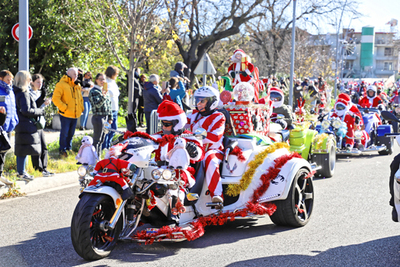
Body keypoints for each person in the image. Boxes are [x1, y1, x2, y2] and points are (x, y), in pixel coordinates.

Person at [151, 100, 203, 216]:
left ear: (177, 123)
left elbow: (199, 155)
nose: (163, 127)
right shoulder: (159, 135)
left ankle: (175, 212)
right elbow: (146, 141)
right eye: (162, 124)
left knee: (174, 180)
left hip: (181, 172)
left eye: (167, 124)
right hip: (158, 171)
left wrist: (193, 150)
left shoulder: (189, 137)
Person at [188, 86, 225, 204]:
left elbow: (215, 137)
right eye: (197, 100)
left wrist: (195, 135)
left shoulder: (219, 116)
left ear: (212, 102)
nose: (198, 103)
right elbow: (180, 128)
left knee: (210, 158)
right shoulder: (192, 115)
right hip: (192, 148)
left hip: (214, 150)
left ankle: (217, 196)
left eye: (202, 101)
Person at [14, 71, 44, 180]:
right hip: (26, 124)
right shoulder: (23, 93)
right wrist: (39, 111)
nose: (30, 82)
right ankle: (21, 172)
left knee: (22, 149)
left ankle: (21, 172)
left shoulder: (15, 92)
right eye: (29, 79)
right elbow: (27, 110)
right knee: (24, 150)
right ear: (24, 80)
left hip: (20, 124)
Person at [52, 67, 84, 157]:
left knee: (71, 133)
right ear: (68, 74)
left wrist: (81, 108)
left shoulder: (77, 85)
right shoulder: (61, 84)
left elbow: (80, 99)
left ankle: (69, 149)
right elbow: (55, 99)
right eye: (74, 74)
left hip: (75, 114)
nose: (76, 76)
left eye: (77, 75)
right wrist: (64, 108)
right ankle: (62, 150)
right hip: (65, 114)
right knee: (65, 133)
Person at [30, 74, 54, 176]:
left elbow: (40, 108)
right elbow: (34, 107)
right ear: (32, 82)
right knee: (36, 147)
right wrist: (42, 102)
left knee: (44, 146)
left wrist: (45, 103)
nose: (40, 84)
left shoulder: (39, 92)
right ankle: (38, 168)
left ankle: (44, 168)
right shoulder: (29, 93)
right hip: (33, 123)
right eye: (37, 82)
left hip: (40, 122)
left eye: (41, 82)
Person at [0, 70, 18, 186]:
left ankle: (0, 174)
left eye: (11, 80)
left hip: (9, 125)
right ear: (1, 79)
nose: (10, 82)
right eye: (7, 80)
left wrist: (15, 119)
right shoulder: (1, 91)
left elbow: (13, 107)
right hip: (1, 125)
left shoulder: (10, 91)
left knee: (4, 152)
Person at [88, 73, 112, 157]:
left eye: (104, 79)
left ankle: (98, 158)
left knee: (102, 140)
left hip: (105, 118)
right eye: (100, 79)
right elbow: (97, 104)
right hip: (98, 117)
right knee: (97, 140)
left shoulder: (104, 91)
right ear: (96, 80)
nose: (102, 81)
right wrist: (103, 95)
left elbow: (109, 105)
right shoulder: (94, 91)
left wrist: (110, 117)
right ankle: (95, 159)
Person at [102, 66, 120, 150]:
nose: (117, 76)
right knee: (107, 129)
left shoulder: (114, 82)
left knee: (114, 129)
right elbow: (104, 95)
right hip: (109, 110)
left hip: (115, 108)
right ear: (112, 74)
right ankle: (104, 147)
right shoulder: (105, 83)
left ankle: (108, 145)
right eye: (116, 74)